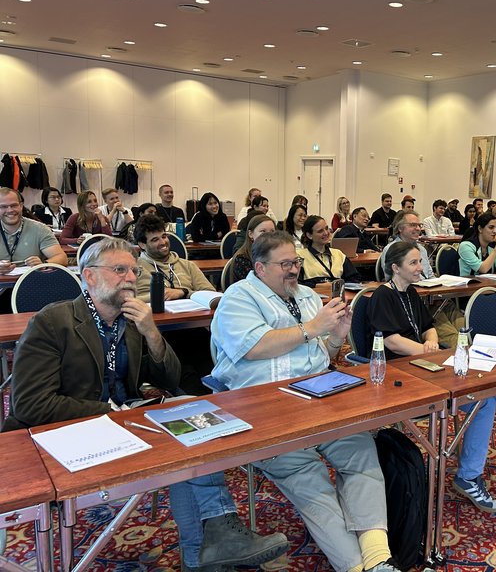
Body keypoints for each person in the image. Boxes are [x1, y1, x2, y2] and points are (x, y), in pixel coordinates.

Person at [2, 237, 287, 572]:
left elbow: (171, 379)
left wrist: (152, 332)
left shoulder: (131, 322)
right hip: (62, 435)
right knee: (182, 441)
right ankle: (205, 551)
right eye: (119, 270)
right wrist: (113, 413)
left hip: (122, 423)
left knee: (190, 408)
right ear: (89, 276)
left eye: (134, 271)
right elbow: (30, 404)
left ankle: (213, 541)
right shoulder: (53, 322)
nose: (130, 278)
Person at [210, 231, 402, 572]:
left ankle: (378, 557)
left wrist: (336, 338)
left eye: (296, 262)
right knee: (310, 477)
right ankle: (357, 566)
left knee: (361, 451)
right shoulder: (238, 298)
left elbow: (322, 355)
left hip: (319, 398)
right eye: (285, 263)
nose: (294, 269)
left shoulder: (308, 296)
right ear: (260, 267)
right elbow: (255, 347)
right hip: (264, 408)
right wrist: (313, 327)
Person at [369, 242, 496, 513]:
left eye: (420, 261)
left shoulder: (410, 292)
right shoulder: (382, 296)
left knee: (483, 395)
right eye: (413, 263)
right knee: (482, 393)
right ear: (395, 268)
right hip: (400, 375)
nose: (421, 267)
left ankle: (470, 475)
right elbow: (391, 341)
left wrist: (431, 342)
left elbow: (428, 326)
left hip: (426, 364)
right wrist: (426, 350)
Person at [135, 214, 219, 395]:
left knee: (211, 369)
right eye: (155, 240)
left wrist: (183, 292)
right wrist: (159, 295)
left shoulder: (187, 265)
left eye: (164, 236)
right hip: (160, 334)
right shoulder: (136, 269)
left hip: (193, 329)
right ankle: (195, 398)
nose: (163, 242)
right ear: (142, 244)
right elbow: (131, 299)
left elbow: (209, 293)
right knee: (188, 377)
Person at [379, 210, 464, 347]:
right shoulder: (392, 250)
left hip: (433, 297)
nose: (418, 228)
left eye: (419, 225)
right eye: (413, 225)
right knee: (453, 336)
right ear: (400, 228)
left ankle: (469, 346)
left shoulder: (421, 249)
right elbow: (393, 279)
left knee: (464, 327)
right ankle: (459, 351)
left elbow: (429, 275)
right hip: (415, 302)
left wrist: (438, 285)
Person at [0, 188, 68, 276]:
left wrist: (43, 264)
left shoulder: (40, 229)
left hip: (32, 282)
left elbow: (62, 258)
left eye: (14, 205)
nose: (10, 210)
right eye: (3, 207)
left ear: (21, 206)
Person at [297, 215, 360, 286]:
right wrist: (318, 286)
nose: (326, 233)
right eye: (320, 231)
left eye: (326, 228)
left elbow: (354, 278)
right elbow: (297, 284)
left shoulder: (338, 254)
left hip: (338, 292)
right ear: (309, 235)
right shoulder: (300, 256)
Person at [232, 215, 276, 283]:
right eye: (263, 231)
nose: (268, 235)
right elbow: (254, 284)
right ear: (250, 234)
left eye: (272, 231)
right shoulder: (242, 258)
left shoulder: (276, 254)